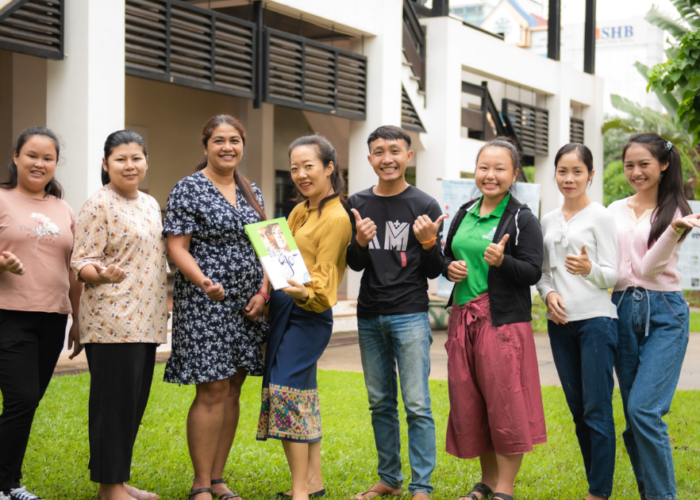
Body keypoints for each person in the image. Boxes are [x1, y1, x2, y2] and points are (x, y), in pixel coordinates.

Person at [163, 115, 269, 500]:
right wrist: (203, 281)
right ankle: (201, 483)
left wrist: (264, 291)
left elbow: (265, 245)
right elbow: (176, 246)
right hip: (206, 301)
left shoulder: (251, 189)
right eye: (220, 140)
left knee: (234, 387)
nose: (228, 147)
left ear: (243, 144)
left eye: (235, 140)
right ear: (205, 145)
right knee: (212, 388)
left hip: (247, 305)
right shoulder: (188, 189)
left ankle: (219, 479)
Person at [443, 138, 545, 500]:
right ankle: (486, 482)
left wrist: (503, 262)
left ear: (514, 173)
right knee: (472, 401)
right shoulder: (465, 212)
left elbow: (533, 271)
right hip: (463, 320)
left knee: (505, 404)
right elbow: (448, 256)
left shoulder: (522, 218)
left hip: (501, 324)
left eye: (500, 168)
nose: (490, 175)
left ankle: (505, 486)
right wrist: (448, 267)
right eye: (484, 167)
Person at [347, 125, 444, 500]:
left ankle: (421, 486)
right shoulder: (356, 203)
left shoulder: (425, 205)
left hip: (410, 313)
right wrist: (358, 242)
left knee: (417, 403)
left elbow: (435, 268)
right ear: (369, 158)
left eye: (394, 150)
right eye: (378, 151)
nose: (386, 158)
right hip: (369, 313)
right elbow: (353, 264)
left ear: (409, 156)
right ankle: (389, 478)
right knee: (380, 402)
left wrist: (429, 242)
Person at [71, 130, 168, 500]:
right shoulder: (99, 203)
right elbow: (81, 261)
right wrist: (101, 274)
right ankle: (109, 488)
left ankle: (119, 480)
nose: (130, 165)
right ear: (106, 163)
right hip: (112, 320)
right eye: (121, 159)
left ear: (146, 161)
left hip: (146, 320)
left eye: (136, 158)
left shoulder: (149, 203)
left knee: (132, 405)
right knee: (112, 406)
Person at [257, 134, 351, 500]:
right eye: (294, 167)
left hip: (308, 316)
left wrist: (302, 293)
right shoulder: (299, 210)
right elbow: (279, 259)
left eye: (309, 166)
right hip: (283, 310)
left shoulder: (337, 218)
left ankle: (299, 493)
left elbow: (324, 288)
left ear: (330, 167)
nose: (300, 174)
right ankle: (314, 483)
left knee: (286, 394)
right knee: (302, 397)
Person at [608, 133, 699, 500]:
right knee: (634, 421)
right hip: (620, 308)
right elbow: (614, 270)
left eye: (644, 164)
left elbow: (647, 268)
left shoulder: (677, 211)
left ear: (663, 165)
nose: (635, 171)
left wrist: (674, 231)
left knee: (644, 410)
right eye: (630, 164)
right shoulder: (613, 209)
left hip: (664, 313)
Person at [0, 127, 82, 500]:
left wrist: (79, 319)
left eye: (47, 158)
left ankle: (9, 481)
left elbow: (73, 268)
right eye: (31, 155)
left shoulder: (63, 208)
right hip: (8, 314)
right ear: (16, 157)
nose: (39, 163)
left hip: (52, 316)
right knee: (21, 397)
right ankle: (6, 483)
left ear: (55, 164)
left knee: (28, 401)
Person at [536, 144, 618, 500]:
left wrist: (591, 270)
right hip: (560, 323)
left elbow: (614, 274)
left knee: (597, 408)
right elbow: (543, 274)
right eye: (562, 171)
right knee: (578, 411)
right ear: (554, 174)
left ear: (591, 175)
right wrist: (548, 295)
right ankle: (594, 485)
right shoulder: (548, 220)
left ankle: (599, 492)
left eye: (577, 172)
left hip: (597, 322)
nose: (569, 179)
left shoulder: (600, 216)